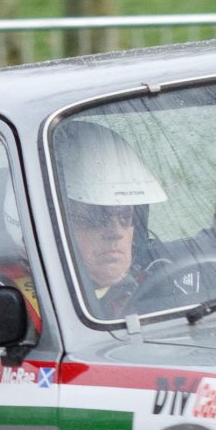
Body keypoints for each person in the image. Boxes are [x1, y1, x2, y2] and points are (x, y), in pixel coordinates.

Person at [54, 121, 165, 317]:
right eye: (94, 218)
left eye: (125, 217)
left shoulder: (159, 281)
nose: (116, 232)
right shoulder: (29, 309)